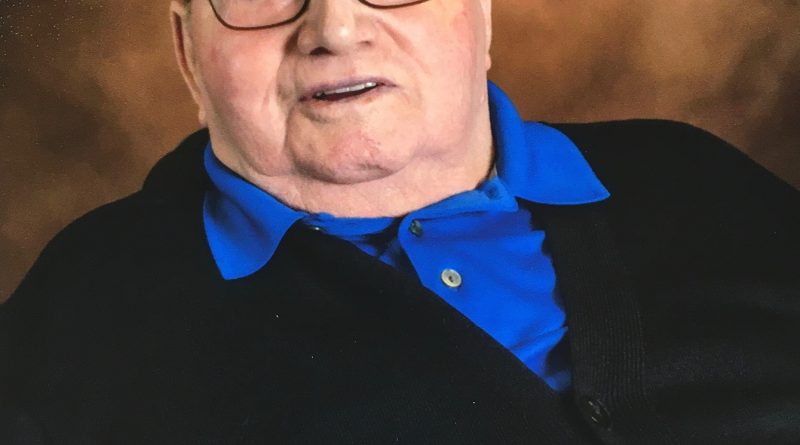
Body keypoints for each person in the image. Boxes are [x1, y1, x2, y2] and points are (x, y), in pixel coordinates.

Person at [1, 0, 798, 443]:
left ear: (481, 14)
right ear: (186, 51)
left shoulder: (695, 178)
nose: (335, 29)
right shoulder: (81, 320)